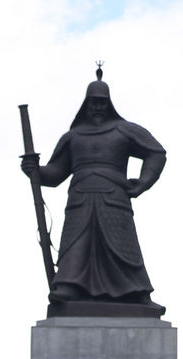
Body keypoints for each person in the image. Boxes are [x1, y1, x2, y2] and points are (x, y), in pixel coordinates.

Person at [22, 69, 166, 309]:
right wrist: (34, 169)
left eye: (102, 102)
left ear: (109, 104)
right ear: (86, 104)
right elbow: (55, 173)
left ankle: (137, 292)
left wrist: (143, 183)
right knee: (76, 242)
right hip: (80, 197)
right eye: (93, 102)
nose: (98, 107)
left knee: (123, 245)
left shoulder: (125, 130)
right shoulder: (73, 136)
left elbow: (156, 153)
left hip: (114, 197)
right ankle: (68, 286)